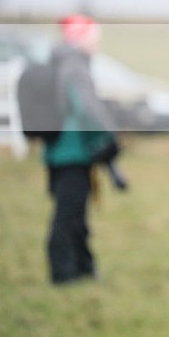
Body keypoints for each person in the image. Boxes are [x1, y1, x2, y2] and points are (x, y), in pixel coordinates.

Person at [43, 14, 120, 285]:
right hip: (72, 151)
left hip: (62, 149)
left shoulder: (62, 63)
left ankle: (82, 268)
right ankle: (64, 274)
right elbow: (87, 108)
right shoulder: (74, 67)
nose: (97, 45)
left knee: (75, 212)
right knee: (68, 214)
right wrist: (108, 137)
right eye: (94, 39)